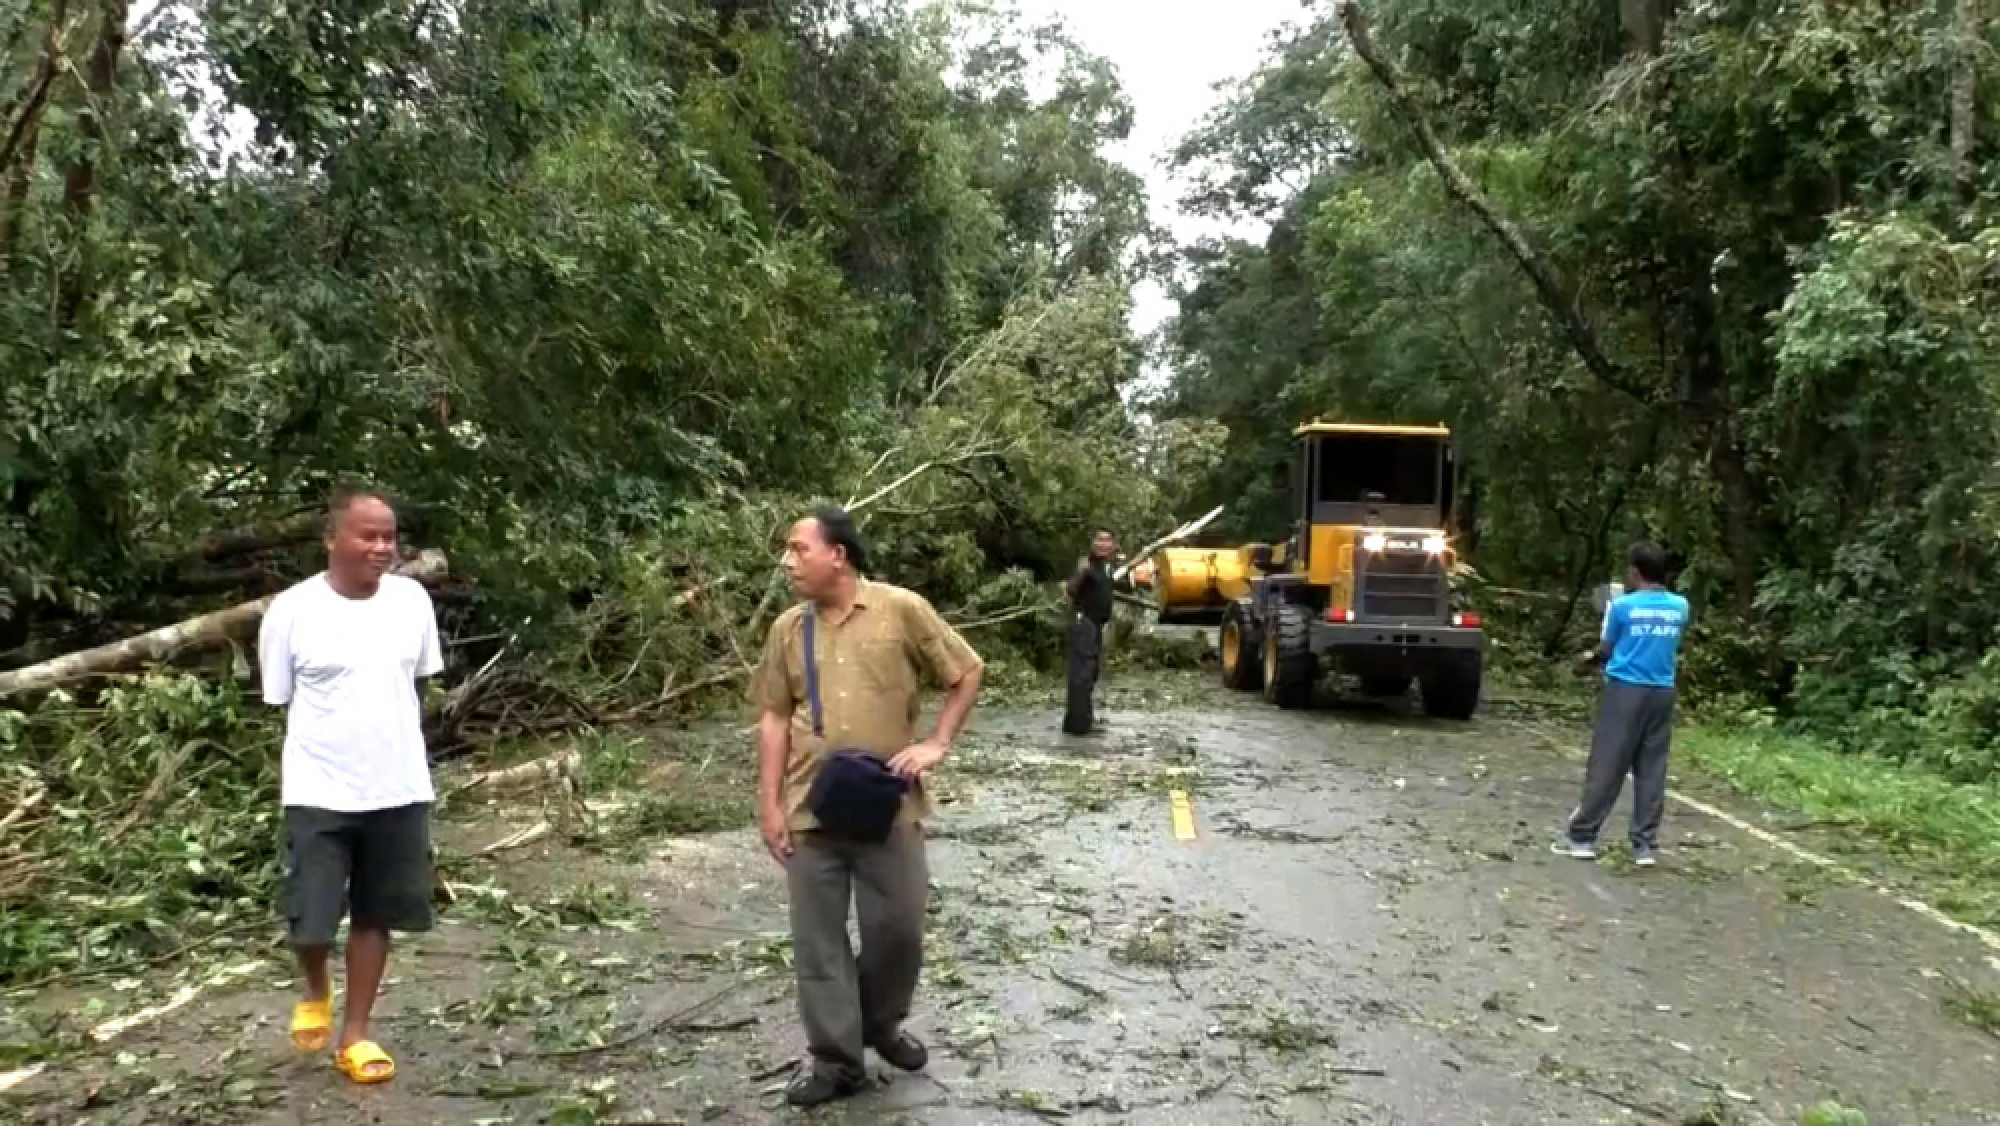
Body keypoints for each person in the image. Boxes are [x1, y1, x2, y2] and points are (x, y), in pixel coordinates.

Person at [751, 505, 985, 1107]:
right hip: (810, 809)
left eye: (799, 548)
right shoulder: (787, 629)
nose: (788, 560)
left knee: (900, 932)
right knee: (818, 943)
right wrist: (769, 805)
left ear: (839, 555)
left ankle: (879, 1024)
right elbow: (774, 716)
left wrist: (935, 743)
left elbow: (966, 671)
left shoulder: (900, 609)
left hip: (889, 806)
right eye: (787, 550)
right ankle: (837, 1061)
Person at [257, 487, 444, 1085]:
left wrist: (395, 753)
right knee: (310, 917)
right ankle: (316, 986)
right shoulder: (291, 611)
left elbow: (416, 683)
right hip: (318, 789)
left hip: (398, 789)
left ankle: (356, 1036)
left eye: (389, 535)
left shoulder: (412, 602)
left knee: (375, 913)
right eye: (367, 535)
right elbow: (279, 701)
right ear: (332, 539)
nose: (381, 547)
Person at [1554, 541, 1689, 867]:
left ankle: (1582, 837)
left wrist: (1586, 659)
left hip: (1626, 690)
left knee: (1608, 764)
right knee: (1652, 767)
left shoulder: (1624, 607)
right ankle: (1644, 846)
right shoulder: (1680, 606)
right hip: (1662, 691)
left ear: (1635, 572)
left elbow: (1606, 649)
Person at [1061, 528, 1117, 736]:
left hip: (1096, 626)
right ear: (1092, 543)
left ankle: (1083, 719)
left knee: (1091, 674)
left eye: (1107, 540)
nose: (1103, 544)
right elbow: (1071, 590)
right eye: (1099, 540)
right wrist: (1080, 574)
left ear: (1112, 545)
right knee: (1081, 675)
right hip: (1083, 623)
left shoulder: (1107, 567)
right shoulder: (1086, 565)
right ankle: (1077, 726)